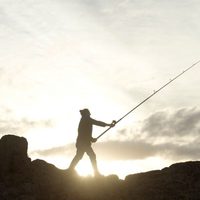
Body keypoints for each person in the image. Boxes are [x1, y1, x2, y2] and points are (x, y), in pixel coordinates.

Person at [68, 108, 115, 176]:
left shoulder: (84, 120)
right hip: (83, 143)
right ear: (86, 114)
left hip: (82, 142)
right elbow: (97, 123)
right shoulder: (86, 119)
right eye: (88, 114)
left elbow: (84, 133)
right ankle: (96, 173)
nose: (89, 115)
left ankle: (70, 169)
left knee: (79, 156)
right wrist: (109, 125)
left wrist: (91, 139)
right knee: (91, 156)